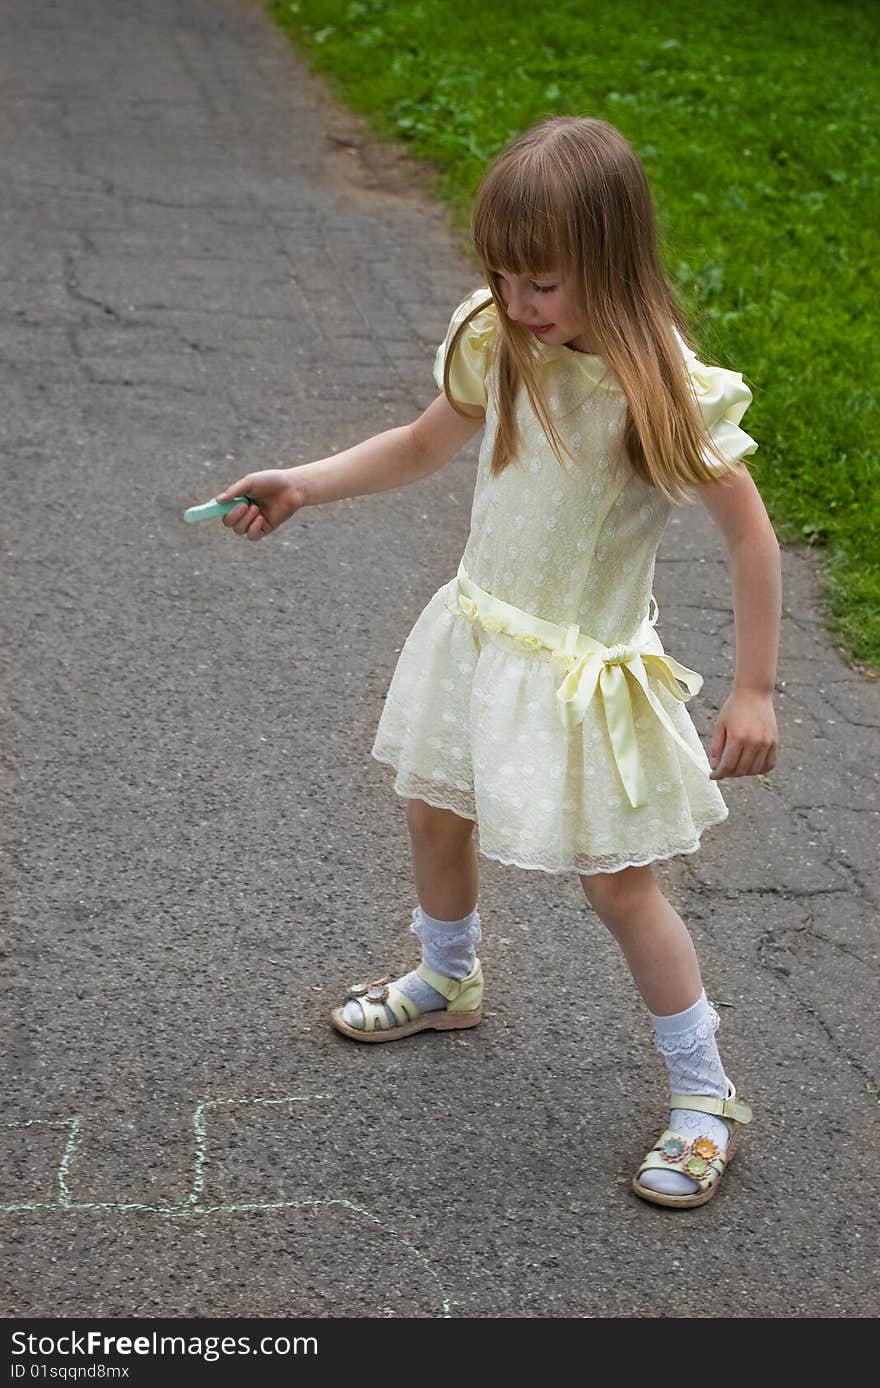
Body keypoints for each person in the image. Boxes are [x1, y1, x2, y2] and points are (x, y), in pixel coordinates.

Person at [213, 116, 780, 1210]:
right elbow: (425, 442)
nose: (520, 301)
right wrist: (305, 481)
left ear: (611, 260)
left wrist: (753, 686)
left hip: (582, 674)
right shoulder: (498, 340)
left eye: (544, 282)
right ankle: (446, 972)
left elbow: (751, 539)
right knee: (434, 809)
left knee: (619, 885)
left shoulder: (662, 390)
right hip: (479, 635)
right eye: (504, 275)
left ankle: (704, 1096)